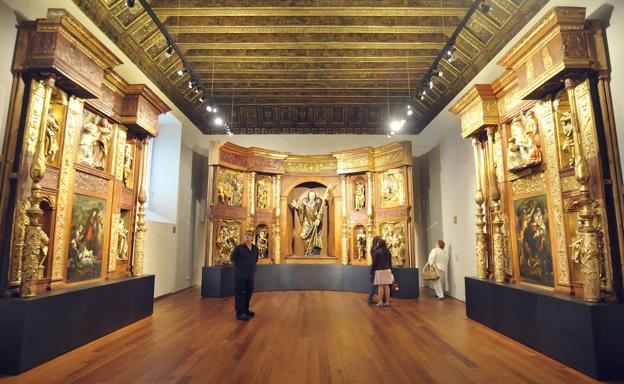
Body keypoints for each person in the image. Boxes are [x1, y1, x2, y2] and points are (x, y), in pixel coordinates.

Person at [231, 230, 259, 321]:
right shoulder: (239, 248)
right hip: (240, 275)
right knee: (240, 293)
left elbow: (255, 260)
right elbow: (232, 259)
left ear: (252, 238)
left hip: (250, 275)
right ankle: (240, 313)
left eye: (249, 235)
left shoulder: (255, 249)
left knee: (248, 292)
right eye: (246, 234)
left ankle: (246, 310)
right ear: (244, 237)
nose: (247, 236)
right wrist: (239, 269)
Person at [371, 239, 393, 307]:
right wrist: (390, 270)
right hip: (387, 270)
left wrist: (372, 271)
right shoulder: (388, 251)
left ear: (379, 244)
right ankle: (387, 302)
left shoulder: (377, 252)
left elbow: (374, 263)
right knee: (387, 286)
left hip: (379, 270)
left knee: (380, 286)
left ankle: (380, 301)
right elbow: (390, 262)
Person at [367, 236, 382, 304]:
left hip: (376, 267)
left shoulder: (373, 248)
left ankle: (380, 298)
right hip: (377, 268)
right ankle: (370, 298)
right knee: (375, 284)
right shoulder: (376, 249)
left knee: (377, 284)